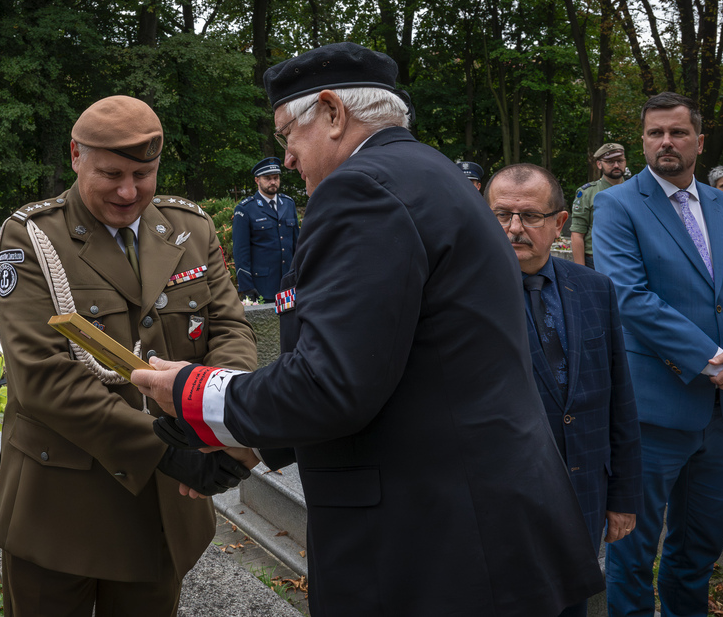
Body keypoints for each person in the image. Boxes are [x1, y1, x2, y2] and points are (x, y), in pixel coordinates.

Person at [132, 42, 604, 617]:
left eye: (287, 135)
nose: (286, 160)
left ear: (332, 113)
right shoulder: (432, 174)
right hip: (484, 529)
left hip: (435, 549)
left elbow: (332, 383)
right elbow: (398, 365)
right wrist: (251, 444)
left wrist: (191, 391)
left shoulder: (363, 190)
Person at [0, 95, 257, 617]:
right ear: (75, 156)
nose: (129, 191)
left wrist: (221, 422)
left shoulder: (190, 230)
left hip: (161, 509)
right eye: (111, 173)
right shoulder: (33, 238)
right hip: (61, 507)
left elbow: (230, 331)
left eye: (144, 173)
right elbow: (43, 378)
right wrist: (168, 449)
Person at [592, 92, 723, 617]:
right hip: (655, 411)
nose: (666, 142)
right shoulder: (617, 205)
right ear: (643, 140)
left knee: (698, 553)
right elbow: (629, 295)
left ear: (699, 141)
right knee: (633, 554)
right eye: (655, 133)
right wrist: (717, 362)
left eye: (678, 132)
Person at [486, 163, 642, 617]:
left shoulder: (594, 289)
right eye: (501, 214)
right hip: (504, 506)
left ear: (558, 223)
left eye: (530, 215)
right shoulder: (459, 297)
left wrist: (624, 498)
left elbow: (619, 398)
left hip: (584, 498)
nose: (514, 227)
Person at [232, 157, 299, 302]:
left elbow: (297, 245)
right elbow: (240, 252)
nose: (273, 182)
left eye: (275, 178)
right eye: (267, 178)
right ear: (257, 180)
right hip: (262, 285)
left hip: (289, 284)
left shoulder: (288, 204)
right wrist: (246, 287)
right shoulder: (245, 209)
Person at [571, 143, 627, 268]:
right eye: (610, 162)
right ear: (599, 164)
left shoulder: (635, 191)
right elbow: (577, 233)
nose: (616, 165)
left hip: (627, 261)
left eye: (620, 161)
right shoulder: (587, 193)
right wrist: (581, 270)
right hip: (595, 262)